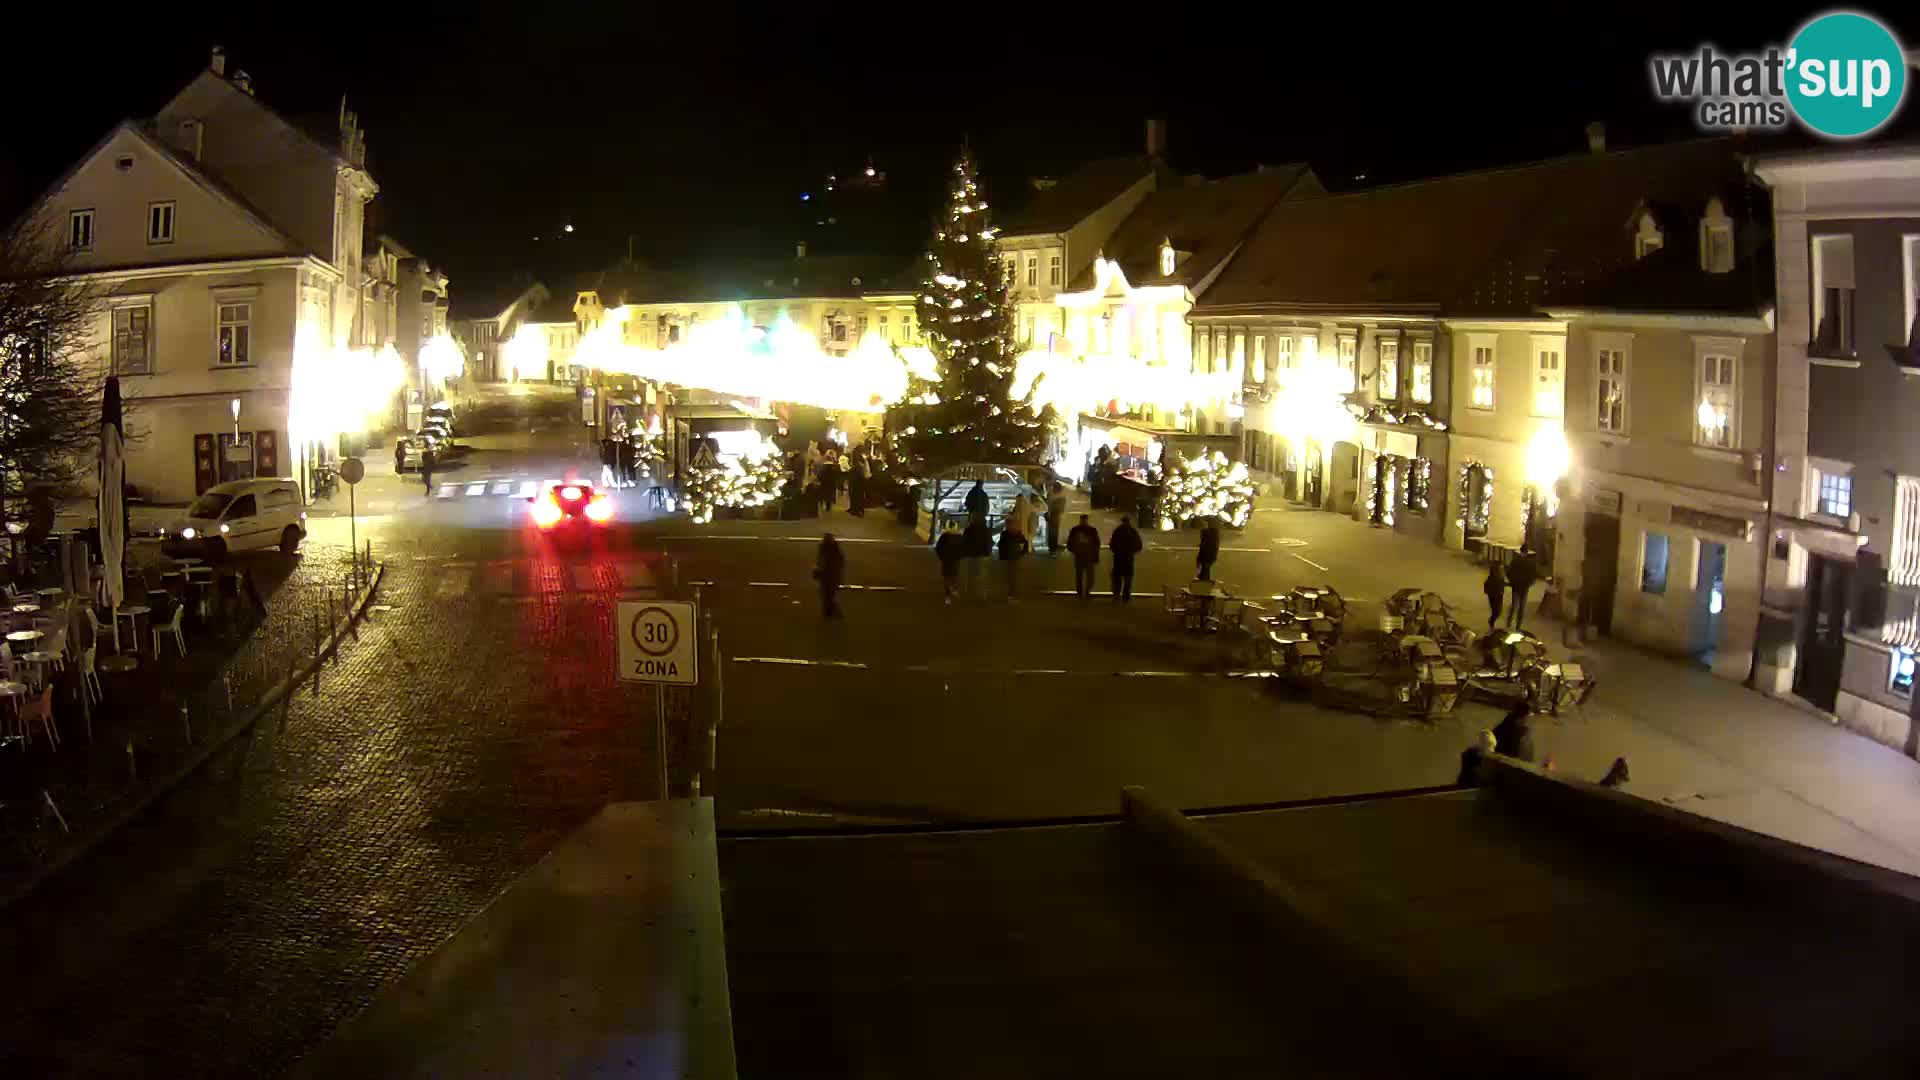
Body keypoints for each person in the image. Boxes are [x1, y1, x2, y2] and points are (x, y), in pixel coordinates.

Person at [1066, 514, 1101, 603]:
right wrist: (1095, 556)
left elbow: (1069, 543)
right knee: (1087, 576)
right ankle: (1086, 591)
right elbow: (1097, 544)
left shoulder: (1075, 530)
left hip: (1081, 556)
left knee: (1080, 575)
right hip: (1087, 556)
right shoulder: (1092, 530)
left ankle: (1081, 592)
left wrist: (1075, 551)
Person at [1109, 515, 1143, 603]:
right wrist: (1132, 551)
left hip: (1118, 559)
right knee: (1128, 578)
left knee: (1117, 579)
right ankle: (1126, 596)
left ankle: (1116, 595)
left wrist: (1117, 551)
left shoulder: (1118, 531)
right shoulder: (1132, 531)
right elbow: (1139, 545)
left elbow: (1112, 544)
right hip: (1128, 558)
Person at [998, 517, 1029, 601]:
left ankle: (1013, 594)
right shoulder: (1018, 535)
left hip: (1013, 559)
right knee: (1012, 577)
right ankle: (1012, 594)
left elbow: (1001, 546)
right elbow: (1025, 546)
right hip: (1013, 559)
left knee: (1013, 577)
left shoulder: (1007, 535)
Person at [1507, 549, 1539, 631]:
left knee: (1514, 605)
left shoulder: (1515, 561)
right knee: (1522, 607)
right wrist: (1529, 584)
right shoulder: (1530, 563)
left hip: (1516, 587)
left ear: (1520, 551)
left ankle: (1509, 621)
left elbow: (1509, 572)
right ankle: (1518, 626)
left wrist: (1512, 582)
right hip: (1524, 588)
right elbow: (1533, 575)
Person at [814, 533, 844, 618]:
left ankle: (830, 612)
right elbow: (840, 564)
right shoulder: (836, 550)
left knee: (826, 595)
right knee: (829, 595)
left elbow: (820, 562)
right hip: (832, 575)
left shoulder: (823, 549)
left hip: (826, 575)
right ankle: (830, 612)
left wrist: (818, 570)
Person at [962, 515, 992, 599]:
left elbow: (964, 541)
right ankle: (982, 595)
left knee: (970, 575)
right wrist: (988, 552)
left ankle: (969, 593)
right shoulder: (986, 530)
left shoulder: (969, 529)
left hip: (970, 554)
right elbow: (989, 542)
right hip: (982, 554)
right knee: (982, 576)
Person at [934, 521, 965, 603]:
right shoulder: (959, 536)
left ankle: (947, 596)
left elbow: (938, 548)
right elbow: (962, 548)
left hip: (946, 560)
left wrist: (942, 557)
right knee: (954, 575)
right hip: (955, 560)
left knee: (946, 577)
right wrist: (959, 557)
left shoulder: (944, 536)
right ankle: (954, 589)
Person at [1482, 559, 1507, 631]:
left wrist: (1507, 585)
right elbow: (1487, 586)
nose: (1502, 571)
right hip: (1494, 595)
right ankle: (1491, 623)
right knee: (1495, 611)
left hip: (1499, 594)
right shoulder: (1492, 578)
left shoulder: (1500, 577)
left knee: (1498, 611)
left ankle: (1491, 621)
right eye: (1501, 568)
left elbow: (1501, 583)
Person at [1045, 482, 1068, 555]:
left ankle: (1052, 548)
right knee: (1053, 532)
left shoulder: (1052, 494)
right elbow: (1051, 505)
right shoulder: (1055, 494)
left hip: (1054, 514)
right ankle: (1053, 548)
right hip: (1054, 514)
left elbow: (1049, 504)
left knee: (1053, 532)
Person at [1197, 517, 1221, 581]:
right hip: (1208, 556)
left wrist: (1199, 559)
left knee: (1205, 572)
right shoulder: (1212, 533)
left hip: (1208, 556)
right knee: (1205, 571)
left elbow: (1204, 547)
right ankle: (1203, 583)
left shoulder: (1211, 533)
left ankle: (1203, 584)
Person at [847, 449, 867, 517]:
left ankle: (857, 510)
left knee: (857, 496)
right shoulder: (859, 464)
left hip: (857, 482)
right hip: (858, 482)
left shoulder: (858, 465)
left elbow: (858, 474)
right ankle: (857, 510)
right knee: (857, 496)